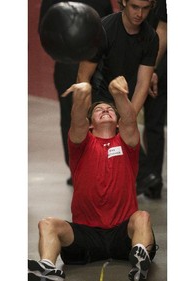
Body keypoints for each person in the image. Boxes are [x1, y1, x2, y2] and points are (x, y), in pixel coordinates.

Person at [28, 76, 157, 281]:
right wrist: (83, 93)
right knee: (47, 224)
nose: (105, 110)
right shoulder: (81, 144)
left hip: (122, 233)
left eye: (110, 109)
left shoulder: (127, 142)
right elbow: (78, 120)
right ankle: (47, 268)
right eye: (99, 110)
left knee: (142, 217)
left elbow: (130, 120)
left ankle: (140, 260)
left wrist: (118, 95)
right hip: (86, 235)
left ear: (117, 123)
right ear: (90, 125)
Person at [75, 0, 162, 194]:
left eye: (145, 9)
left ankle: (137, 182)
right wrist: (88, 115)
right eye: (134, 7)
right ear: (123, 2)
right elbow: (83, 76)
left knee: (123, 149)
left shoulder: (150, 38)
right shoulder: (102, 30)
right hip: (99, 97)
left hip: (124, 98)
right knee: (100, 154)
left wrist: (128, 117)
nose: (140, 14)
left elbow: (143, 83)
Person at [38, 0, 113, 186]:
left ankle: (78, 168)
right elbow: (108, 28)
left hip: (71, 63)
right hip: (94, 63)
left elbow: (44, 31)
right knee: (100, 114)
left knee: (72, 116)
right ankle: (97, 169)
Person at [140, 0, 167, 199]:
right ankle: (151, 178)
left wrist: (151, 69)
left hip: (157, 64)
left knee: (152, 124)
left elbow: (163, 32)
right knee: (153, 124)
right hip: (155, 62)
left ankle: (151, 178)